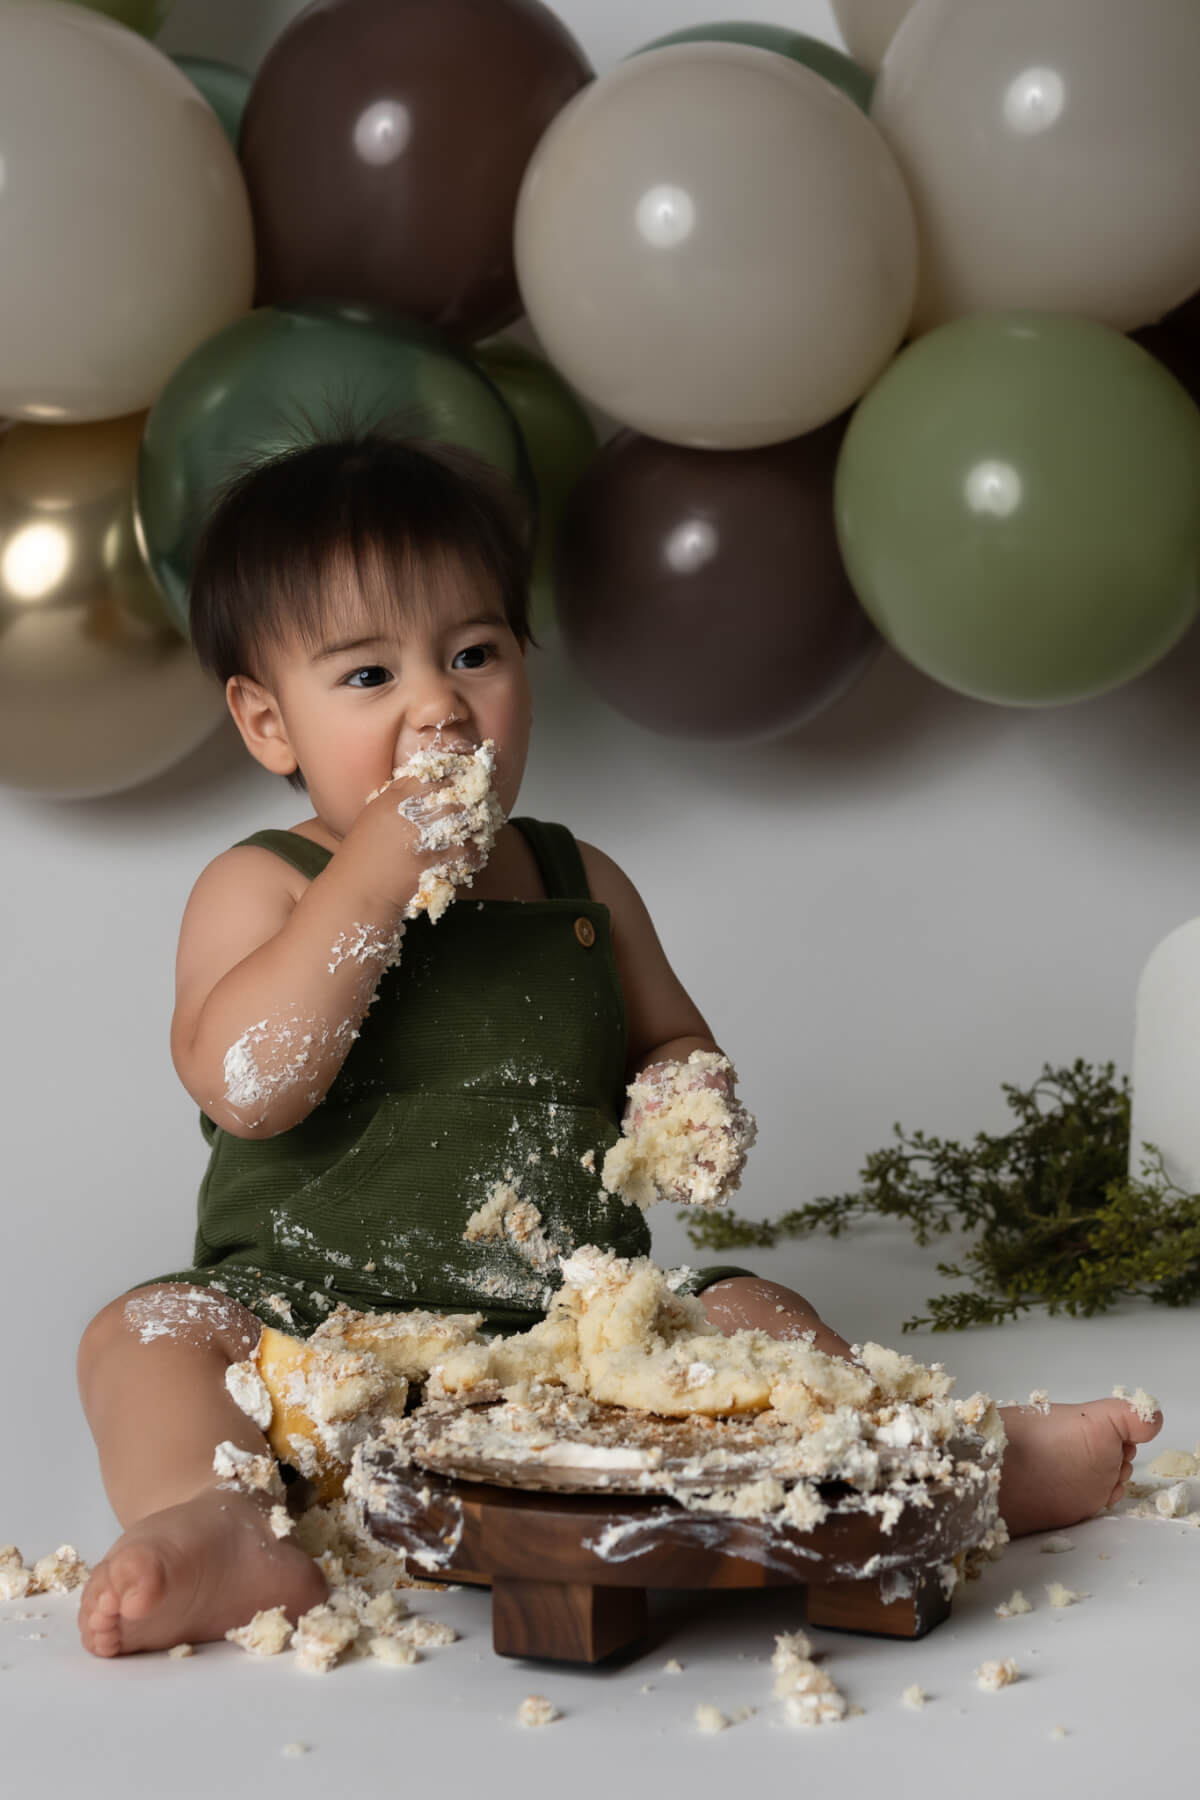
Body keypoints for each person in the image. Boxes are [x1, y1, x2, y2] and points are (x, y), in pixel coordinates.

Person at [76, 435, 1160, 1657]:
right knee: (142, 1339)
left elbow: (666, 1036)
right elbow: (248, 1083)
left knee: (754, 1306)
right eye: (370, 676)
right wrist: (374, 879)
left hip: (566, 1336)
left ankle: (929, 1458)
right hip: (305, 1329)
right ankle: (219, 1518)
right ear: (269, 724)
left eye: (474, 654)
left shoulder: (579, 881)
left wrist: (683, 1094)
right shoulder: (264, 886)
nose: (439, 704)